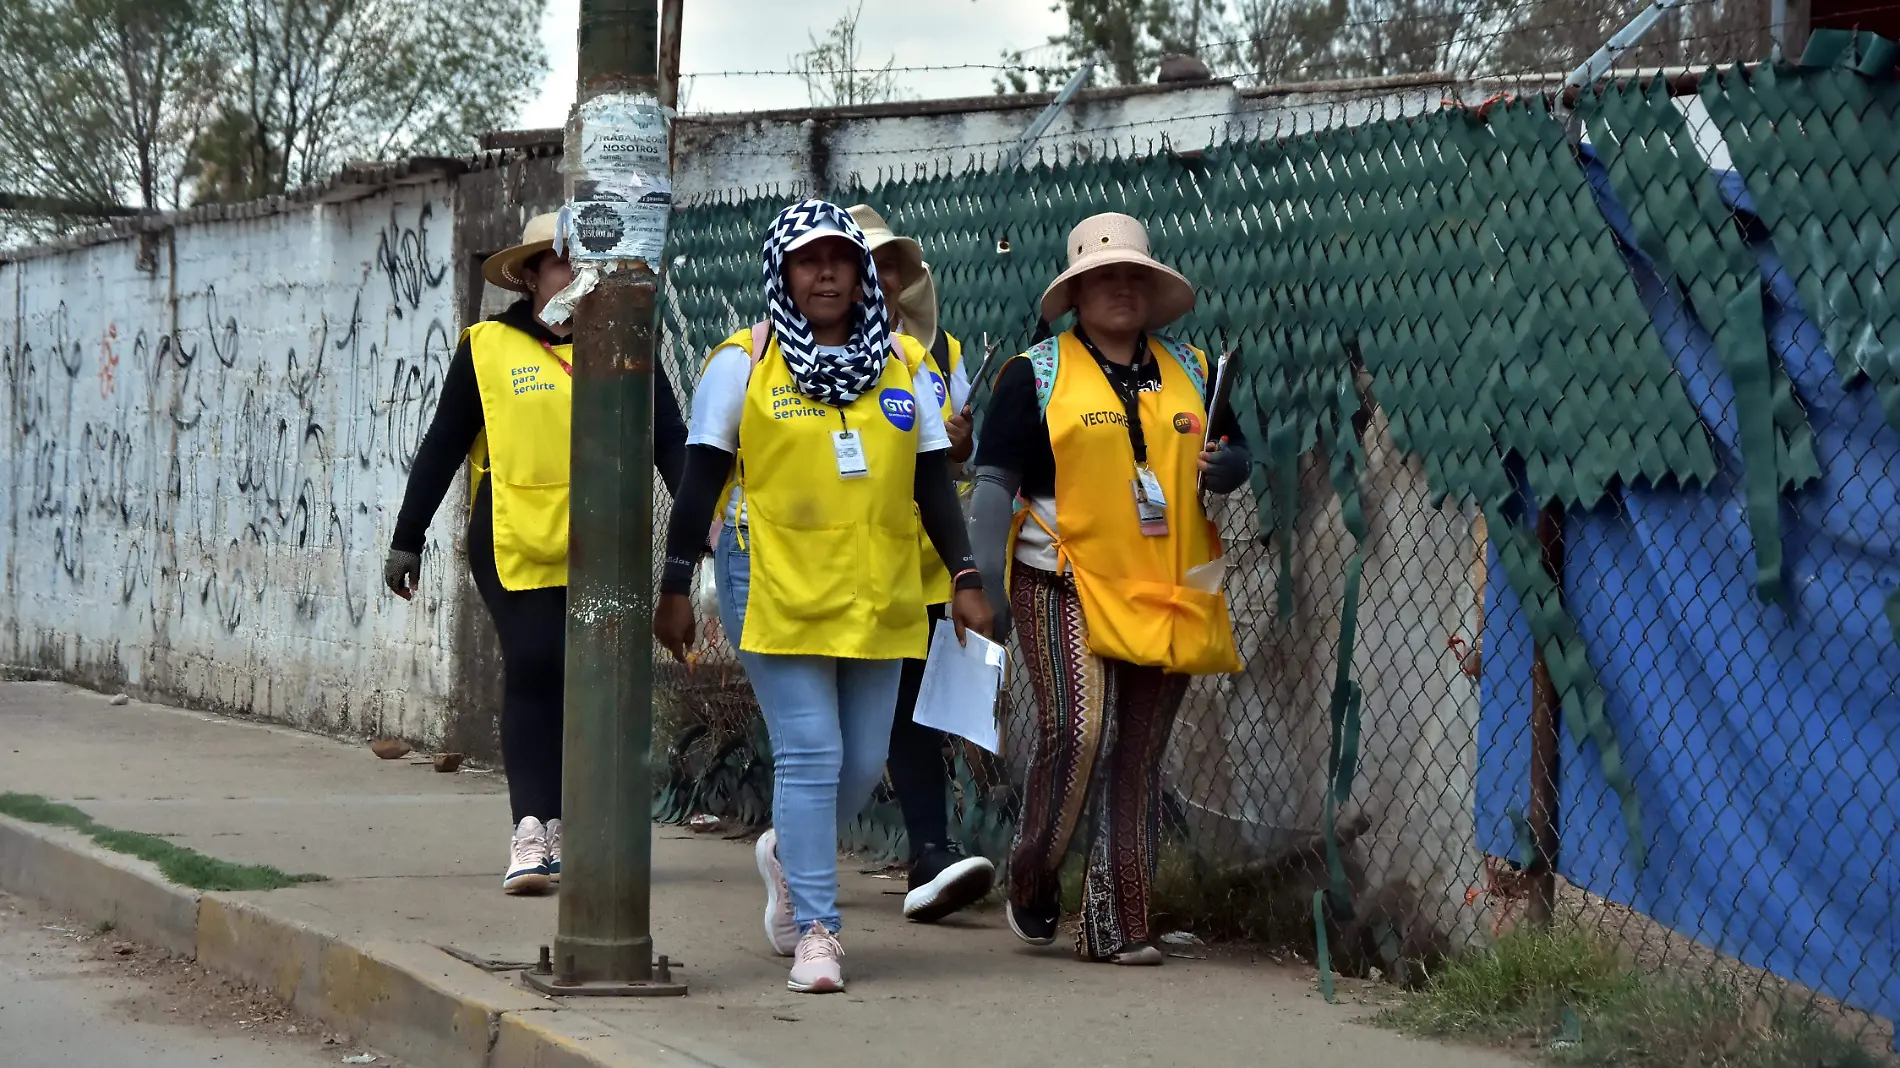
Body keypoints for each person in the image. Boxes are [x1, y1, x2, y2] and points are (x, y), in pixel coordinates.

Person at [654, 199, 991, 994]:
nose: (830, 272)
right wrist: (672, 585)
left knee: (865, 757)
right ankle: (817, 930)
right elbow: (700, 481)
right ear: (784, 273)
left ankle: (784, 854)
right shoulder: (743, 363)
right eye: (811, 260)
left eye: (842, 258)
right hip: (768, 573)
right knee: (812, 748)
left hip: (878, 583)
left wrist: (968, 575)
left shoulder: (906, 365)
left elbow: (930, 485)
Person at [969, 213, 1250, 965]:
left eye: (1135, 275)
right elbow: (993, 480)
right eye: (1104, 276)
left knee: (1141, 756)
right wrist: (980, 583)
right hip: (1061, 578)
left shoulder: (1193, 368)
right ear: (1077, 291)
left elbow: (1232, 450)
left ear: (1153, 290)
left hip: (1171, 583)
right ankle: (1032, 874)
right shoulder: (1036, 373)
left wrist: (1229, 465)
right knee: (1080, 732)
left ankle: (1117, 923)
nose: (1121, 287)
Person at [382, 212, 689, 896]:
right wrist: (409, 535)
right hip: (512, 535)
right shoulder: (488, 346)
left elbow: (671, 440)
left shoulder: (626, 343)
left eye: (589, 266)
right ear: (529, 276)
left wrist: (698, 529)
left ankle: (575, 826)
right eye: (562, 264)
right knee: (535, 662)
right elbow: (442, 443)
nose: (578, 278)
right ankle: (531, 827)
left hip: (606, 544)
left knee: (596, 682)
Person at [846, 203, 995, 922]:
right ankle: (796, 845)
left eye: (891, 262)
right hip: (841, 559)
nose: (882, 274)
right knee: (841, 722)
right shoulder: (806, 351)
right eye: (868, 261)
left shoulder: (942, 354)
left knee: (914, 710)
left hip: (924, 559)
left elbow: (949, 461)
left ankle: (929, 853)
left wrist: (961, 440)